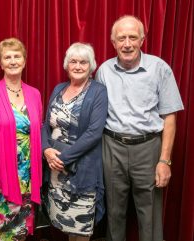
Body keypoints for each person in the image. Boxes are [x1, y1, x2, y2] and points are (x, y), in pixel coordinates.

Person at [95, 15, 184, 241]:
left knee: (150, 215)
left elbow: (170, 117)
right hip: (112, 147)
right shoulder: (104, 71)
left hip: (148, 149)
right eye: (121, 38)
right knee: (114, 213)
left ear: (142, 40)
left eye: (132, 37)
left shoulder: (159, 68)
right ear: (113, 42)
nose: (127, 43)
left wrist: (164, 161)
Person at [42, 42, 108, 241]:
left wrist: (62, 158)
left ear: (91, 66)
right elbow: (45, 125)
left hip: (82, 170)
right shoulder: (58, 88)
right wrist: (46, 149)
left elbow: (94, 133)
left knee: (80, 229)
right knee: (63, 225)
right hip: (54, 169)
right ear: (66, 65)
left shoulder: (98, 91)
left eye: (83, 62)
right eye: (73, 61)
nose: (78, 66)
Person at [0, 37, 42, 241]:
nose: (13, 61)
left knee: (19, 230)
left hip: (27, 177)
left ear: (24, 61)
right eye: (7, 57)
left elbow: (38, 131)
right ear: (1, 62)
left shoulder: (34, 94)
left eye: (17, 56)